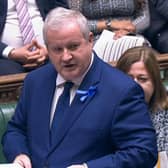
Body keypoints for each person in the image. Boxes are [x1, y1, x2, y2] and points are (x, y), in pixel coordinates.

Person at [2, 7, 157, 168]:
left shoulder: (121, 90)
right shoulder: (35, 82)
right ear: (47, 49)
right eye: (57, 49)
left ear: (90, 40)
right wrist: (19, 154)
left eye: (73, 46)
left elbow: (143, 152)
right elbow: (16, 130)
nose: (66, 57)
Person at [116, 46, 168, 156]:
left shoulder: (165, 117)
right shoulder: (104, 117)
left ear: (155, 83)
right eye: (127, 78)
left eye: (142, 79)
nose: (134, 86)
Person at [0, 0, 68, 75]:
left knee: (62, 67)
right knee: (8, 76)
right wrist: (10, 52)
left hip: (48, 52)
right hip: (6, 58)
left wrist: (49, 50)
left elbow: (64, 16)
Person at [68, 0, 150, 40]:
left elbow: (144, 17)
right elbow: (76, 23)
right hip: (96, 37)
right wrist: (109, 24)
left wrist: (128, 30)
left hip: (131, 34)